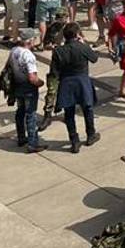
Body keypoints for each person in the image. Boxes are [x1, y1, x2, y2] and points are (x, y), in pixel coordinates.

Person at [52, 23, 101, 153]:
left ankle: (74, 140)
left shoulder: (58, 51)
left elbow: (54, 72)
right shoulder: (82, 47)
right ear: (77, 34)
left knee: (69, 113)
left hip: (66, 82)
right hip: (82, 81)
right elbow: (95, 58)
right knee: (87, 108)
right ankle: (91, 134)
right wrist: (84, 43)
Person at [8, 35, 46, 153]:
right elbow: (32, 77)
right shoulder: (28, 55)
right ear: (29, 41)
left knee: (20, 111)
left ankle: (21, 137)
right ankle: (32, 143)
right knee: (31, 115)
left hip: (17, 87)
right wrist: (40, 83)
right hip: (28, 89)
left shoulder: (14, 51)